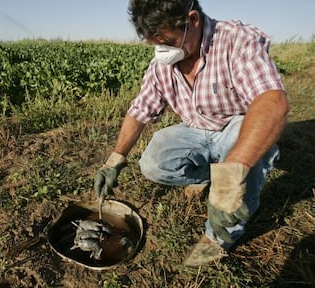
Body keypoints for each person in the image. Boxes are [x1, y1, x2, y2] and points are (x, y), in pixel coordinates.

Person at [94, 0, 289, 266]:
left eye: (167, 40)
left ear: (193, 20)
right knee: (153, 161)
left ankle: (220, 236)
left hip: (237, 126)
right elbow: (140, 110)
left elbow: (272, 103)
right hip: (197, 129)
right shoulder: (162, 65)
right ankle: (214, 175)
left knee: (238, 150)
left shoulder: (236, 40)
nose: (162, 51)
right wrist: (115, 158)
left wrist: (233, 172)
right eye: (155, 43)